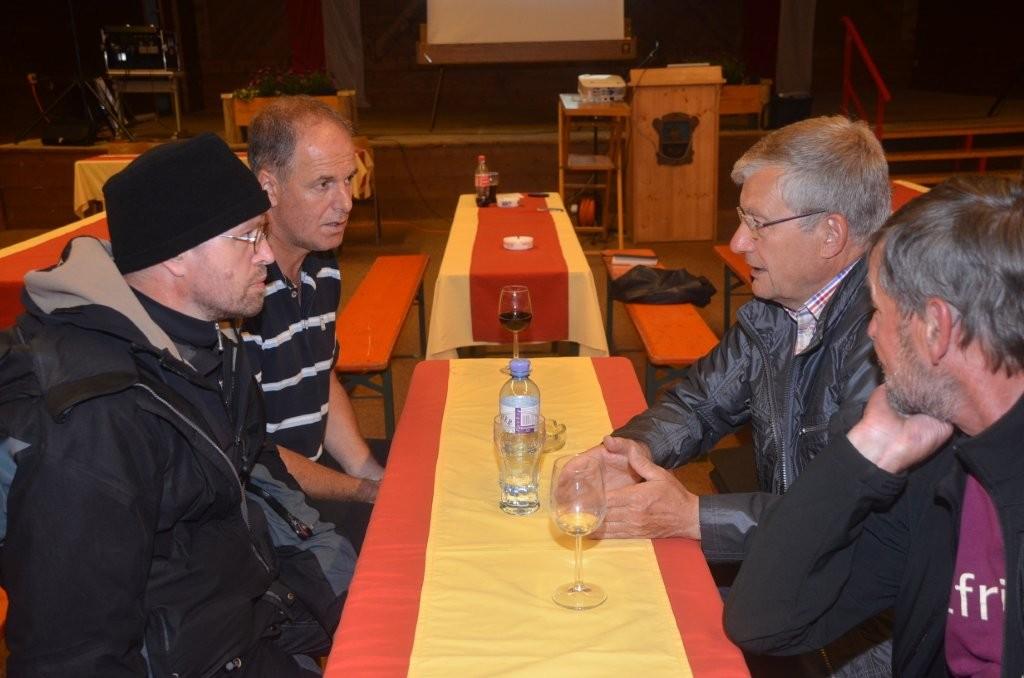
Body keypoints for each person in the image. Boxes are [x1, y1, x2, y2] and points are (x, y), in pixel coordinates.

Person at [0, 133, 352, 676]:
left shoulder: (209, 347)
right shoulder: (92, 418)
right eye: (248, 236)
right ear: (177, 256)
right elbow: (72, 654)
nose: (266, 254)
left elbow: (265, 487)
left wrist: (344, 592)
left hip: (248, 624)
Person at [580, 116, 893, 674]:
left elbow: (845, 520)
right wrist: (626, 453)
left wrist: (694, 517)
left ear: (831, 234)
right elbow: (699, 403)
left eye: (757, 223)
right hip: (783, 578)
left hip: (858, 638)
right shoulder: (777, 312)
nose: (738, 242)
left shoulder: (888, 345)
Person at [724, 175, 1024, 676]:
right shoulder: (940, 465)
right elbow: (762, 623)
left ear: (936, 328)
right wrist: (866, 450)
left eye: (879, 310)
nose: (870, 331)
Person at [242, 96, 385, 552]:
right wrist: (364, 492)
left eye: (348, 180)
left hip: (310, 476)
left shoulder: (322, 265)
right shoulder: (239, 292)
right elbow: (252, 454)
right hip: (263, 508)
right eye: (323, 184)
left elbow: (321, 375)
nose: (345, 203)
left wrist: (368, 469)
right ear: (269, 187)